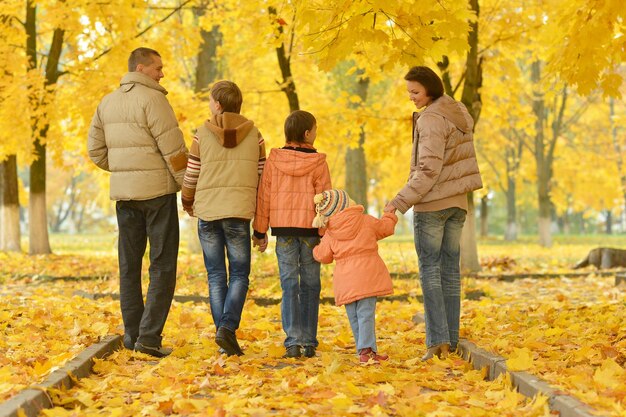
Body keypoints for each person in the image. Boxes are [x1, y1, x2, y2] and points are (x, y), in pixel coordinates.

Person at [88, 47, 189, 358]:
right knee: (162, 266)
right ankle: (149, 338)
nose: (162, 73)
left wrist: (124, 171)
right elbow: (174, 152)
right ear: (142, 68)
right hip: (157, 195)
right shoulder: (155, 99)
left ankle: (132, 335)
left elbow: (96, 151)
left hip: (125, 198)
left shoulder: (107, 103)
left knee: (129, 266)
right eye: (158, 67)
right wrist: (187, 190)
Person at [384, 66, 483, 361]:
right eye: (408, 92)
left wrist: (398, 202)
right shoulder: (457, 111)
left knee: (431, 271)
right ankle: (450, 340)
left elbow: (428, 169)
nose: (411, 98)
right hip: (457, 204)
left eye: (415, 92)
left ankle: (436, 342)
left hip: (433, 204)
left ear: (430, 88)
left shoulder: (431, 119)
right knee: (450, 272)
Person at [181, 80, 266, 356]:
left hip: (208, 212)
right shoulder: (256, 136)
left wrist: (187, 200)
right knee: (240, 273)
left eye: (210, 100)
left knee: (216, 275)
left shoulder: (201, 134)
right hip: (239, 213)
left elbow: (191, 174)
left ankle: (223, 332)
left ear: (217, 104)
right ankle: (226, 330)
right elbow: (262, 177)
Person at [252, 110, 331, 359]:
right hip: (309, 231)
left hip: (284, 231)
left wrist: (260, 230)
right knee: (310, 284)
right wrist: (324, 232)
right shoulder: (318, 163)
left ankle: (293, 341)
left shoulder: (274, 160)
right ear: (307, 134)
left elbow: (264, 196)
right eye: (315, 129)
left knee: (289, 285)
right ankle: (309, 341)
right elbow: (325, 201)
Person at [312, 189, 397, 364]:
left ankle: (365, 351)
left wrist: (315, 247)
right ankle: (366, 351)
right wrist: (389, 214)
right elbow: (386, 228)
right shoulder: (365, 221)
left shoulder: (331, 233)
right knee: (366, 314)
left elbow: (323, 256)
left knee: (355, 316)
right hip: (368, 276)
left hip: (345, 281)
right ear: (345, 204)